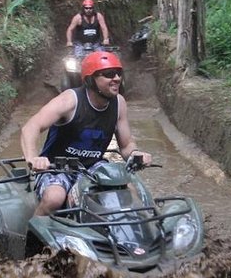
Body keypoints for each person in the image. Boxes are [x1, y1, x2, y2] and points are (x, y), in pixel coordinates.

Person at [20, 51, 151, 216]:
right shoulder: (69, 100)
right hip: (57, 167)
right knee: (54, 198)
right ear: (91, 79)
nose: (117, 78)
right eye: (109, 74)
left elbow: (126, 145)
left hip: (93, 166)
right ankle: (33, 237)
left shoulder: (119, 103)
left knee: (129, 190)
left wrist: (135, 153)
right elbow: (31, 127)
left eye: (119, 73)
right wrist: (33, 159)